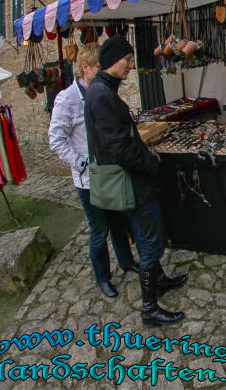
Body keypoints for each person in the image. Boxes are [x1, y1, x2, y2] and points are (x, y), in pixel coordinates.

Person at [84, 36, 187, 326]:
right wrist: (151, 163)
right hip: (133, 183)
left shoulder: (101, 91)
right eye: (127, 59)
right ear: (113, 59)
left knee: (147, 238)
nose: (131, 64)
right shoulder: (102, 95)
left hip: (134, 179)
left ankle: (161, 281)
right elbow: (118, 148)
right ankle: (149, 307)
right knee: (150, 241)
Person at [48, 42, 139, 298]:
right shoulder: (66, 99)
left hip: (110, 174)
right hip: (89, 180)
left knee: (119, 224)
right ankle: (103, 277)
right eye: (100, 66)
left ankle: (127, 262)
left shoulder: (103, 91)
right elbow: (56, 139)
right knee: (100, 230)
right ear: (85, 67)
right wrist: (83, 164)